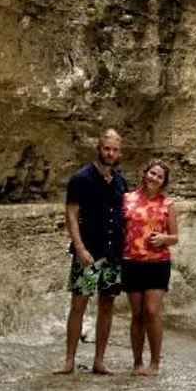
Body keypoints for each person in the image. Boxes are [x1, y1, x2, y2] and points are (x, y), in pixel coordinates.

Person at [59, 129, 128, 375]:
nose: (110, 153)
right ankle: (69, 360)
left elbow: (124, 215)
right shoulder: (81, 178)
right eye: (107, 148)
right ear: (99, 148)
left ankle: (99, 360)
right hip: (88, 252)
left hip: (113, 253)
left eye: (115, 149)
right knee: (79, 304)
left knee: (107, 305)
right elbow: (71, 214)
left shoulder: (121, 181)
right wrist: (79, 248)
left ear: (119, 152)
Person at [121, 160, 180, 377]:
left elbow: (175, 237)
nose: (154, 178)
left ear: (163, 182)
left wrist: (165, 238)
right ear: (144, 173)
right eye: (152, 173)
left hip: (157, 264)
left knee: (152, 312)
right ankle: (137, 363)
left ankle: (155, 363)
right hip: (131, 262)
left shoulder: (168, 204)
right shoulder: (127, 199)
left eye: (159, 177)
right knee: (137, 314)